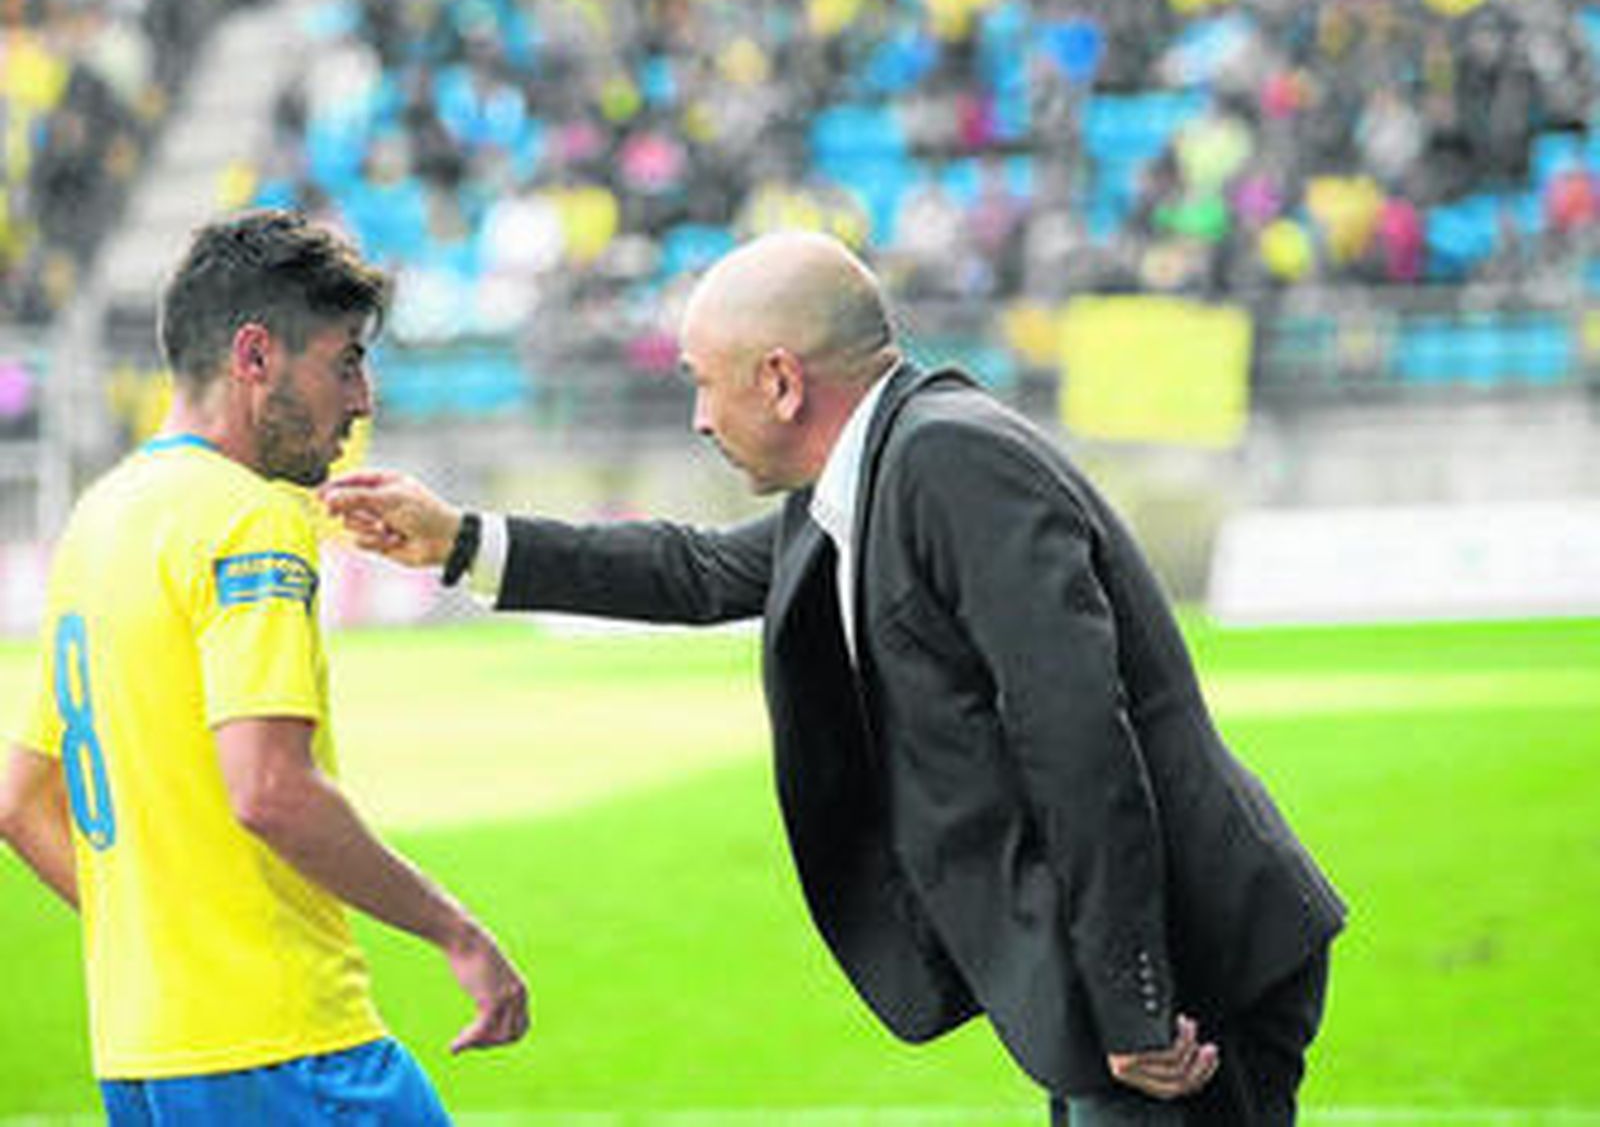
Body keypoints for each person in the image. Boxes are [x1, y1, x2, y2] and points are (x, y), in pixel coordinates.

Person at [324, 231, 1345, 1125]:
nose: (697, 416)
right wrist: (463, 540)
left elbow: (1077, 737)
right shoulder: (875, 470)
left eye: (703, 380)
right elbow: (698, 570)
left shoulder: (950, 461)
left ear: (780, 380)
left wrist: (1134, 999)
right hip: (1134, 962)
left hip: (1186, 969)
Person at [0, 209, 529, 1125]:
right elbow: (271, 788)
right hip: (287, 1048)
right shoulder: (249, 518)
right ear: (255, 356)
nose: (363, 400)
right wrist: (457, 929)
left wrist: (168, 949)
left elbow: (19, 801)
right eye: (345, 362)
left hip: (145, 1057)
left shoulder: (100, 517)